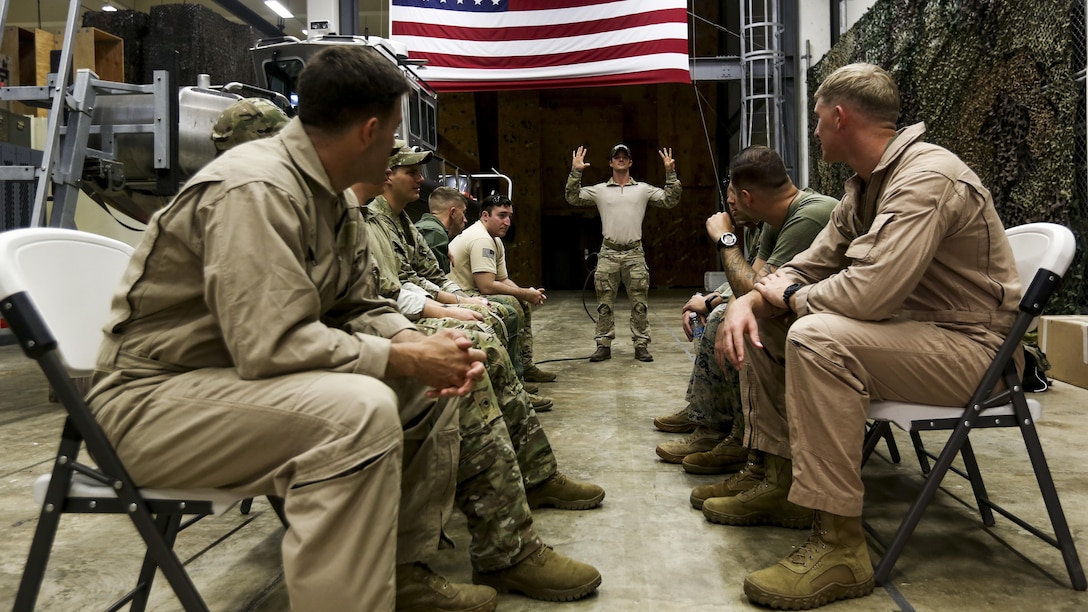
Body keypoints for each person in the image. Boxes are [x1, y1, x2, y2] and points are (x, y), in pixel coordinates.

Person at [85, 46, 505, 610]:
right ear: (370, 130)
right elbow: (271, 345)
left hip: (235, 387)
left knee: (425, 389)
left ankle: (399, 575)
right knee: (358, 412)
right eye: (393, 138)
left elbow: (361, 304)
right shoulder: (256, 189)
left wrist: (416, 343)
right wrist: (401, 358)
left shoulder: (333, 201)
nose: (398, 159)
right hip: (149, 406)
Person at [712, 63, 1021, 609]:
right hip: (915, 337)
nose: (812, 132)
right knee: (766, 319)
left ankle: (840, 548)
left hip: (975, 351)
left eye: (815, 120)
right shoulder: (866, 185)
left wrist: (785, 298)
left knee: (815, 336)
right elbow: (811, 263)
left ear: (839, 117)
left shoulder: (926, 178)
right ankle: (784, 482)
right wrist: (751, 300)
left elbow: (868, 295)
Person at [353, 176, 605, 603]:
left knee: (470, 348)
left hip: (376, 331)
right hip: (336, 356)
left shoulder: (371, 216)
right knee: (469, 356)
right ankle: (502, 548)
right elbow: (369, 301)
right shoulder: (335, 211)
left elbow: (401, 287)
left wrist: (423, 329)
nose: (419, 175)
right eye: (405, 164)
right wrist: (413, 340)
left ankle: (533, 478)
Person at [655, 148, 837, 483]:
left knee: (733, 321)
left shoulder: (811, 215)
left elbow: (753, 290)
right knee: (721, 314)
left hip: (825, 329)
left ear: (747, 196)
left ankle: (741, 439)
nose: (729, 207)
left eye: (731, 198)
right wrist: (710, 300)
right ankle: (714, 422)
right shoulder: (774, 221)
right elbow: (753, 283)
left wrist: (726, 241)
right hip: (804, 316)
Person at [367, 148, 555, 402]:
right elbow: (402, 285)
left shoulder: (405, 223)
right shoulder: (375, 222)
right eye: (412, 172)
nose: (421, 179)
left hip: (428, 300)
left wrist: (460, 300)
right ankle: (509, 395)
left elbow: (428, 274)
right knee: (490, 323)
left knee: (501, 310)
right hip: (397, 315)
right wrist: (457, 303)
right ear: (388, 175)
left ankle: (512, 390)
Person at [565, 143, 681, 362]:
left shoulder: (643, 189)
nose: (620, 159)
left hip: (634, 253)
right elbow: (572, 197)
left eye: (624, 157)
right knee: (604, 304)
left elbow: (670, 199)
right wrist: (576, 171)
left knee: (639, 303)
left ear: (630, 162)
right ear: (610, 163)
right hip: (608, 252)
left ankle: (641, 345)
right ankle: (603, 344)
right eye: (616, 157)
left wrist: (670, 172)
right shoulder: (600, 190)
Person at [447, 194, 558, 382]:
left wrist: (527, 294)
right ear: (485, 216)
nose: (507, 222)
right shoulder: (481, 238)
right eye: (501, 215)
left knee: (520, 302)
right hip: (460, 294)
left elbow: (502, 279)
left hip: (474, 290)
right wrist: (524, 294)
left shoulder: (495, 239)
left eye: (509, 216)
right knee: (511, 306)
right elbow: (487, 286)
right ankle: (515, 378)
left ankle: (525, 365)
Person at [415, 185, 468, 273]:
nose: (465, 220)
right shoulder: (436, 234)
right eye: (463, 212)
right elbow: (434, 280)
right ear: (453, 213)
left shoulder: (422, 227)